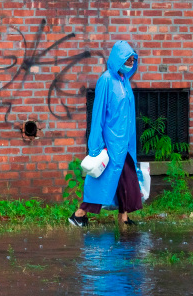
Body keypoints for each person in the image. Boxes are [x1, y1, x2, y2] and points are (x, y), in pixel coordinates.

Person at [69, 40, 143, 228]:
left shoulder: (125, 82)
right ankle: (79, 214)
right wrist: (96, 146)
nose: (131, 63)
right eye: (128, 59)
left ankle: (123, 218)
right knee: (102, 180)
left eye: (133, 60)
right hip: (110, 144)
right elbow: (98, 114)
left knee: (127, 179)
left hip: (124, 143)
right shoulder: (106, 80)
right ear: (118, 58)